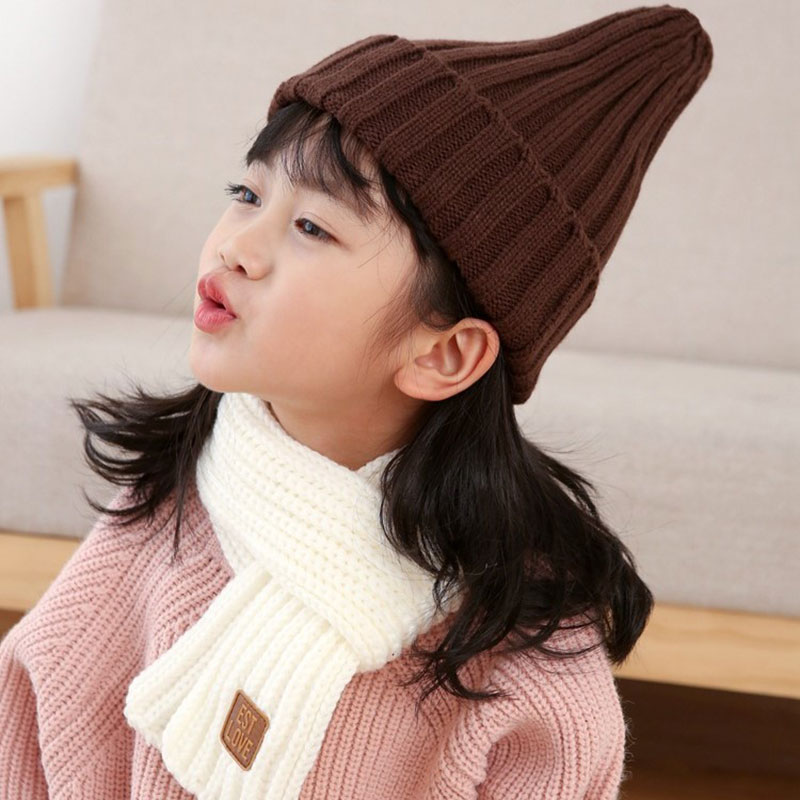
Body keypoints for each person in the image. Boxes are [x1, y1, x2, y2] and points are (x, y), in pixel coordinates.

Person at [0, 4, 713, 798]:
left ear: (443, 353)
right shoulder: (166, 511)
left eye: (311, 226)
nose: (236, 244)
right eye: (246, 192)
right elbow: (26, 732)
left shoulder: (527, 665)